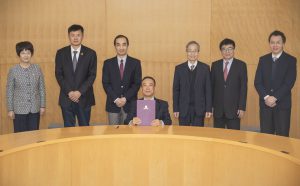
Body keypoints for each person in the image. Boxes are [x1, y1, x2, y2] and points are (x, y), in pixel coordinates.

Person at [254, 30, 297, 137]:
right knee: (266, 136)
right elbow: (257, 82)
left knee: (282, 137)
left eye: (278, 42)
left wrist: (275, 97)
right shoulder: (263, 60)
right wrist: (267, 97)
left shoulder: (291, 60)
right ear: (269, 44)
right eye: (272, 42)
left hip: (282, 105)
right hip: (265, 105)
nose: (275, 45)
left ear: (283, 44)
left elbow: (289, 83)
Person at [55, 24, 97, 127]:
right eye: (72, 35)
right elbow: (58, 74)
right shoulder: (61, 53)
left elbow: (92, 75)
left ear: (82, 36)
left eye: (78, 35)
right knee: (68, 129)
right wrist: (69, 92)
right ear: (68, 36)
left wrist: (79, 92)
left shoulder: (90, 53)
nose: (75, 38)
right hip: (66, 98)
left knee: (85, 129)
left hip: (84, 98)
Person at [6, 41, 46, 132]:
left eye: (28, 52)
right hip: (19, 110)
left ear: (31, 54)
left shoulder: (37, 68)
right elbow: (9, 91)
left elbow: (41, 88)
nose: (26, 55)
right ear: (18, 54)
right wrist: (10, 109)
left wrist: (42, 106)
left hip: (35, 109)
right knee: (20, 136)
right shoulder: (13, 70)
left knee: (34, 134)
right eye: (23, 53)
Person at [102, 35, 142, 125]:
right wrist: (116, 99)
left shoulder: (135, 63)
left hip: (129, 104)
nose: (121, 47)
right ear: (115, 46)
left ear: (127, 46)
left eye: (124, 44)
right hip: (113, 104)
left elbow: (136, 84)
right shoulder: (108, 63)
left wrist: (125, 98)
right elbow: (106, 83)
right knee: (113, 133)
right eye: (118, 45)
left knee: (128, 133)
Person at [173, 41, 212, 126]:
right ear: (186, 52)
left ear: (198, 52)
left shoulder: (205, 68)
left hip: (199, 109)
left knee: (198, 135)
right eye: (190, 50)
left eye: (195, 51)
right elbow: (176, 90)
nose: (192, 53)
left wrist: (208, 109)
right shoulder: (179, 68)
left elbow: (208, 90)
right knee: (183, 134)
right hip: (183, 109)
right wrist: (176, 108)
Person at [211, 38, 248, 130]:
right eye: (224, 49)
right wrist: (210, 106)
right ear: (221, 51)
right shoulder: (215, 65)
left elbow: (243, 88)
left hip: (234, 110)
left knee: (234, 137)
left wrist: (242, 107)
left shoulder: (241, 65)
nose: (227, 51)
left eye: (230, 48)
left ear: (234, 49)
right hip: (218, 110)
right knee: (218, 137)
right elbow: (211, 87)